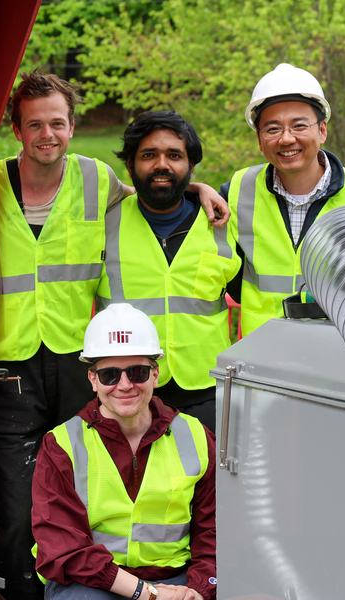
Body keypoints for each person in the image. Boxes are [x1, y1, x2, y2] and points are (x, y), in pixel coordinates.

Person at [0, 70, 227, 600]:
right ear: (16, 129)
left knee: (95, 480)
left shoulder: (96, 179)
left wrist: (199, 187)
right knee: (14, 495)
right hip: (10, 360)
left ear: (73, 127)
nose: (47, 134)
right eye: (34, 124)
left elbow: (157, 188)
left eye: (57, 123)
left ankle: (114, 580)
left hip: (81, 359)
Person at [32, 303, 216, 600]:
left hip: (176, 579)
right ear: (93, 380)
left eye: (138, 372)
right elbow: (63, 546)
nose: (125, 385)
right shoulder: (62, 445)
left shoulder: (196, 436)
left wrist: (198, 590)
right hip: (90, 583)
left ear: (155, 375)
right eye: (110, 376)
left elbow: (213, 531)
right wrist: (148, 594)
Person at [96, 112, 240, 432]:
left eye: (174, 156)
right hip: (127, 390)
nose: (162, 165)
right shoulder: (102, 223)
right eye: (149, 155)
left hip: (205, 390)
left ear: (191, 167)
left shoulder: (224, 223)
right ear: (130, 166)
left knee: (208, 480)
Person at [221, 63, 345, 335]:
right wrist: (197, 189)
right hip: (262, 356)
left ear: (322, 130)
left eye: (299, 126)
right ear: (259, 138)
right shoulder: (239, 190)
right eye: (273, 129)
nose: (287, 139)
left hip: (339, 354)